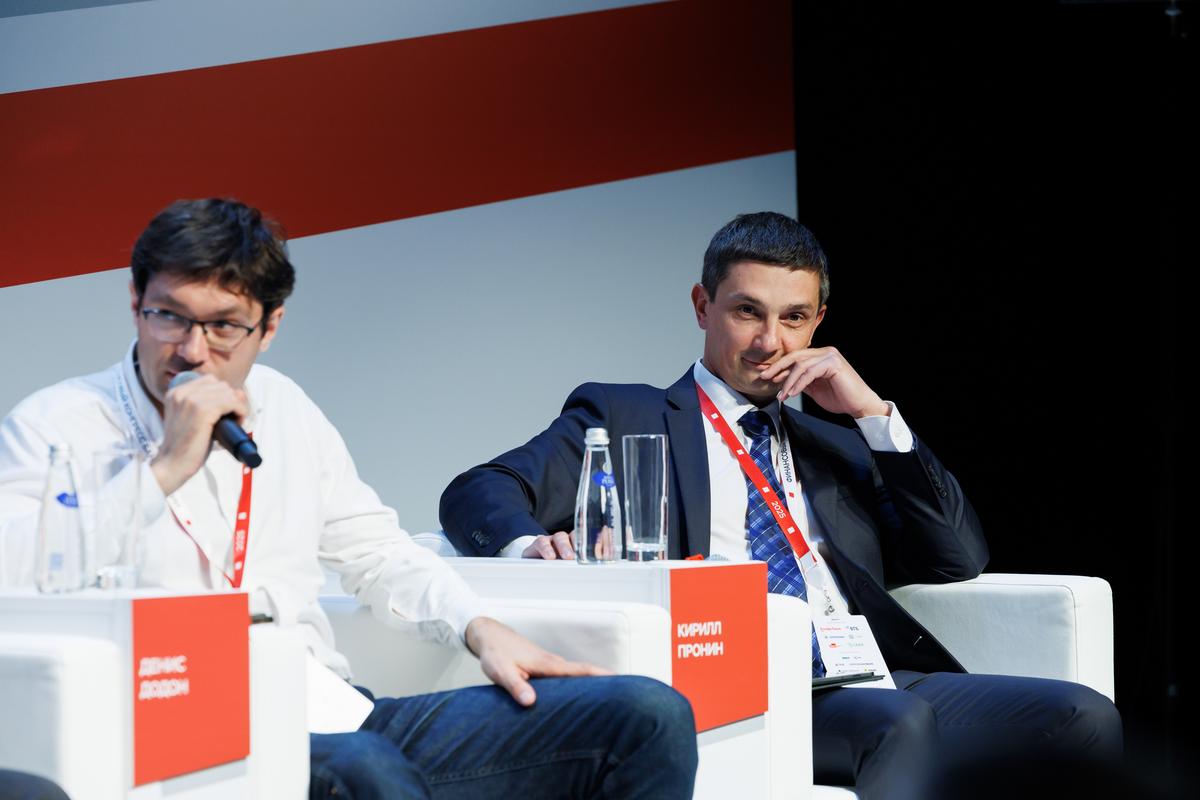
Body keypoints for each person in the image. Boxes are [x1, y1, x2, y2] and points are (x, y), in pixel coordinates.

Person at [0, 199, 697, 800]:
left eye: (224, 326)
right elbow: (13, 574)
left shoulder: (285, 408)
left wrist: (481, 628)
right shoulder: (58, 426)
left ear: (269, 326)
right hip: (177, 733)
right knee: (366, 770)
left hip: (331, 711)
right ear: (135, 302)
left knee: (646, 714)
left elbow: (377, 552)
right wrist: (162, 470)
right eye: (168, 317)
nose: (192, 350)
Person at [440, 212, 1122, 799]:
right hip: (738, 682)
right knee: (897, 724)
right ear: (702, 306)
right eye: (747, 312)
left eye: (794, 318)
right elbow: (478, 490)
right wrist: (531, 547)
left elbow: (955, 557)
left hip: (866, 673)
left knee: (1081, 716)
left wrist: (873, 414)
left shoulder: (839, 442)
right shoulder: (628, 415)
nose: (771, 343)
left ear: (817, 322)